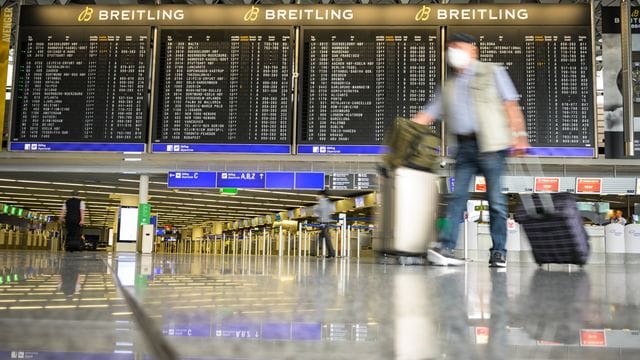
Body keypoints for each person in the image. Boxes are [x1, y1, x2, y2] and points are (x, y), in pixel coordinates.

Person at [412, 33, 529, 267]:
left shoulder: (492, 71)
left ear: (472, 50)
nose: (452, 51)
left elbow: (510, 104)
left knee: (495, 201)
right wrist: (403, 133)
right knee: (456, 199)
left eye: (457, 46)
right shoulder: (448, 86)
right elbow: (427, 114)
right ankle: (446, 247)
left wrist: (520, 136)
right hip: (464, 148)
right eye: (449, 47)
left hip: (492, 146)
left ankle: (499, 252)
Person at [314, 190, 336, 258]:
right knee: (323, 237)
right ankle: (330, 253)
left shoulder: (322, 202)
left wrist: (316, 209)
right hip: (327, 222)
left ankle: (331, 253)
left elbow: (317, 210)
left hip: (323, 222)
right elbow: (333, 209)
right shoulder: (329, 202)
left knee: (326, 238)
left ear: (321, 195)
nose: (316, 196)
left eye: (318, 195)